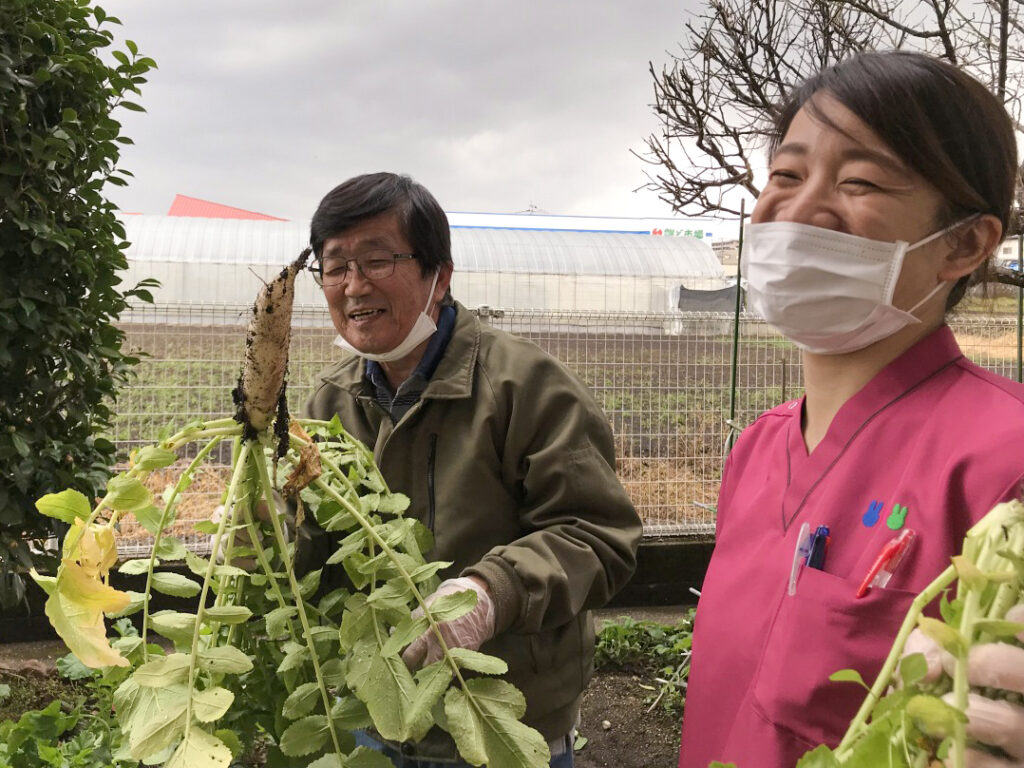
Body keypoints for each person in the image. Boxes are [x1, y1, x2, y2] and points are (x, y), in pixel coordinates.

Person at [678, 51, 1024, 768]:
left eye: (859, 181)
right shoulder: (758, 449)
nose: (800, 210)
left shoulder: (1004, 462)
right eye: (786, 175)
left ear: (963, 244)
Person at [295, 172, 642, 768]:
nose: (353, 286)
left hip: (507, 718)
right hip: (374, 715)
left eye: (377, 260)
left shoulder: (524, 385)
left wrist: (490, 592)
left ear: (440, 275)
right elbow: (316, 559)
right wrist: (265, 526)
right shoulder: (328, 407)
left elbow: (595, 535)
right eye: (334, 266)